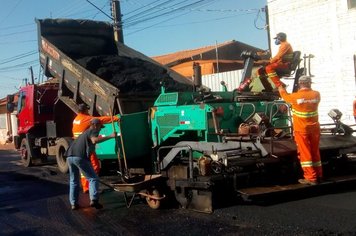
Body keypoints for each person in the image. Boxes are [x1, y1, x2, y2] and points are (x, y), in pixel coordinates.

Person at [277, 75, 322, 185]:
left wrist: (280, 87)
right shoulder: (316, 94)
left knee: (305, 153)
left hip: (302, 130)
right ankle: (319, 174)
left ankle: (311, 177)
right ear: (310, 83)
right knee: (315, 152)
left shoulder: (295, 97)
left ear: (299, 84)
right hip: (315, 129)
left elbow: (285, 96)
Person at [66, 118, 116, 210]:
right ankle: (94, 200)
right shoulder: (92, 131)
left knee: (74, 181)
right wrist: (111, 136)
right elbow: (94, 140)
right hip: (79, 157)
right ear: (95, 125)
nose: (100, 129)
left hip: (69, 156)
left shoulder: (84, 133)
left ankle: (73, 204)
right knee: (93, 178)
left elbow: (90, 146)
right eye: (100, 127)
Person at [73, 103, 119, 193]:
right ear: (85, 110)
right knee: (95, 166)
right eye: (87, 109)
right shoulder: (85, 119)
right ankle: (92, 188)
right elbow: (101, 119)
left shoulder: (76, 119)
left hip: (78, 146)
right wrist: (116, 118)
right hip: (86, 147)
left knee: (83, 169)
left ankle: (86, 187)